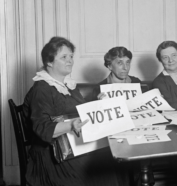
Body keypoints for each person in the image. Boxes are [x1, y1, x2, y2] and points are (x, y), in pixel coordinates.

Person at [22, 37, 129, 186]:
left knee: (113, 159)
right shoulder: (42, 89)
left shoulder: (68, 86)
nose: (70, 61)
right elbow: (43, 128)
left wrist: (97, 104)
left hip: (72, 145)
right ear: (49, 62)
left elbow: (80, 111)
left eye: (71, 56)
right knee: (106, 168)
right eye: (64, 57)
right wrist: (71, 125)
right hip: (52, 155)